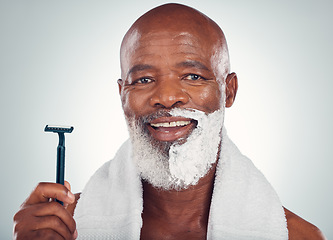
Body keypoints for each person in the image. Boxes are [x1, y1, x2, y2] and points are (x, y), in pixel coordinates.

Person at [13, 3, 325, 240]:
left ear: (228, 91)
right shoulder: (66, 228)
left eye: (193, 76)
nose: (166, 96)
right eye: (144, 79)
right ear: (122, 95)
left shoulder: (296, 236)